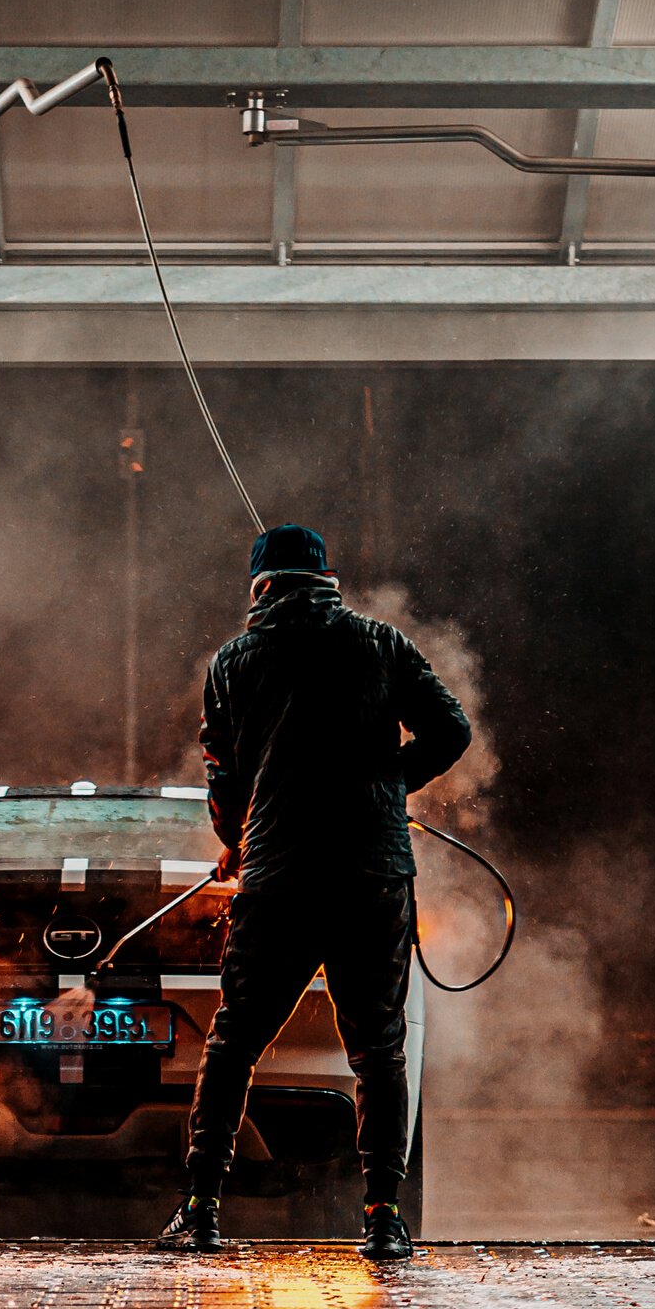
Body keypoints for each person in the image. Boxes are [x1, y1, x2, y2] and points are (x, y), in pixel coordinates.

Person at [160, 522, 471, 1260]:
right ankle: (384, 1218)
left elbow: (222, 775)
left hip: (279, 880)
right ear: (326, 579)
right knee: (378, 1050)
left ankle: (201, 1211)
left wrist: (238, 841)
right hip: (372, 876)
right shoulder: (381, 643)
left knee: (234, 1042)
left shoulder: (232, 662)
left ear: (260, 587)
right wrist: (389, 779)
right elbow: (450, 730)